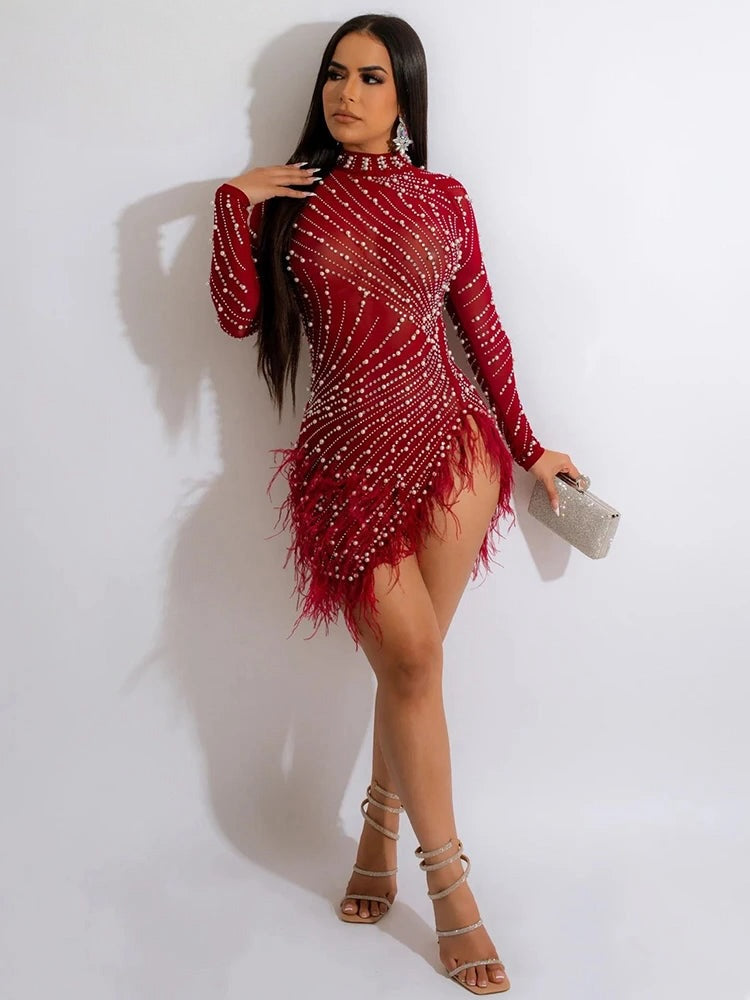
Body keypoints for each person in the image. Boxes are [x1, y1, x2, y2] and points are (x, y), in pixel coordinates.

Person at [209, 13, 582, 994]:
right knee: (411, 660)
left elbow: (483, 330)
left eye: (372, 77)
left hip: (456, 451)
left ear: (405, 95)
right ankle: (451, 890)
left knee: (413, 667)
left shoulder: (443, 198)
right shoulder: (295, 202)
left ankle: (380, 830)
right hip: (345, 469)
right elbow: (239, 318)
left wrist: (530, 448)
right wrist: (232, 203)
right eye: (336, 74)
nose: (347, 92)